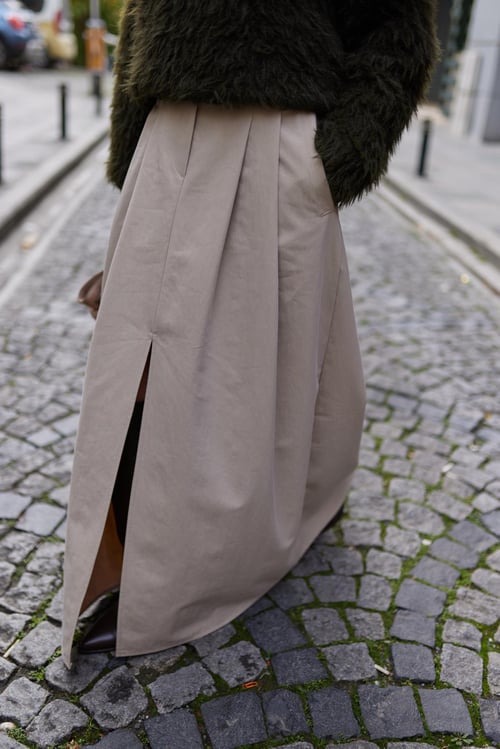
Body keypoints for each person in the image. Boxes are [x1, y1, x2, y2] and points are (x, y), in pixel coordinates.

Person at [62, 0, 438, 666]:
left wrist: (334, 162)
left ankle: (190, 571)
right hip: (165, 139)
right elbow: (140, 23)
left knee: (245, 372)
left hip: (276, 152)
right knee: (139, 370)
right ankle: (129, 562)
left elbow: (397, 34)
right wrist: (128, 161)